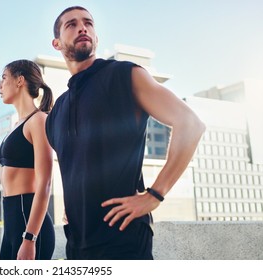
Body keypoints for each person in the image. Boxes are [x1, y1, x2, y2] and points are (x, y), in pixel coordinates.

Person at [45, 6, 206, 260]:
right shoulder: (56, 113)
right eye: (71, 24)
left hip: (124, 240)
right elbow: (76, 165)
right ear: (56, 43)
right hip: (76, 244)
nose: (82, 27)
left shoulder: (124, 74)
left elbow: (191, 123)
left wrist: (154, 195)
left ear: (96, 38)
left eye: (88, 23)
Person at [0, 59, 55, 260]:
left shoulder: (39, 120)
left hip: (29, 226)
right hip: (12, 224)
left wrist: (30, 238)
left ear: (20, 80)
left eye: (4, 78)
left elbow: (45, 183)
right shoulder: (16, 124)